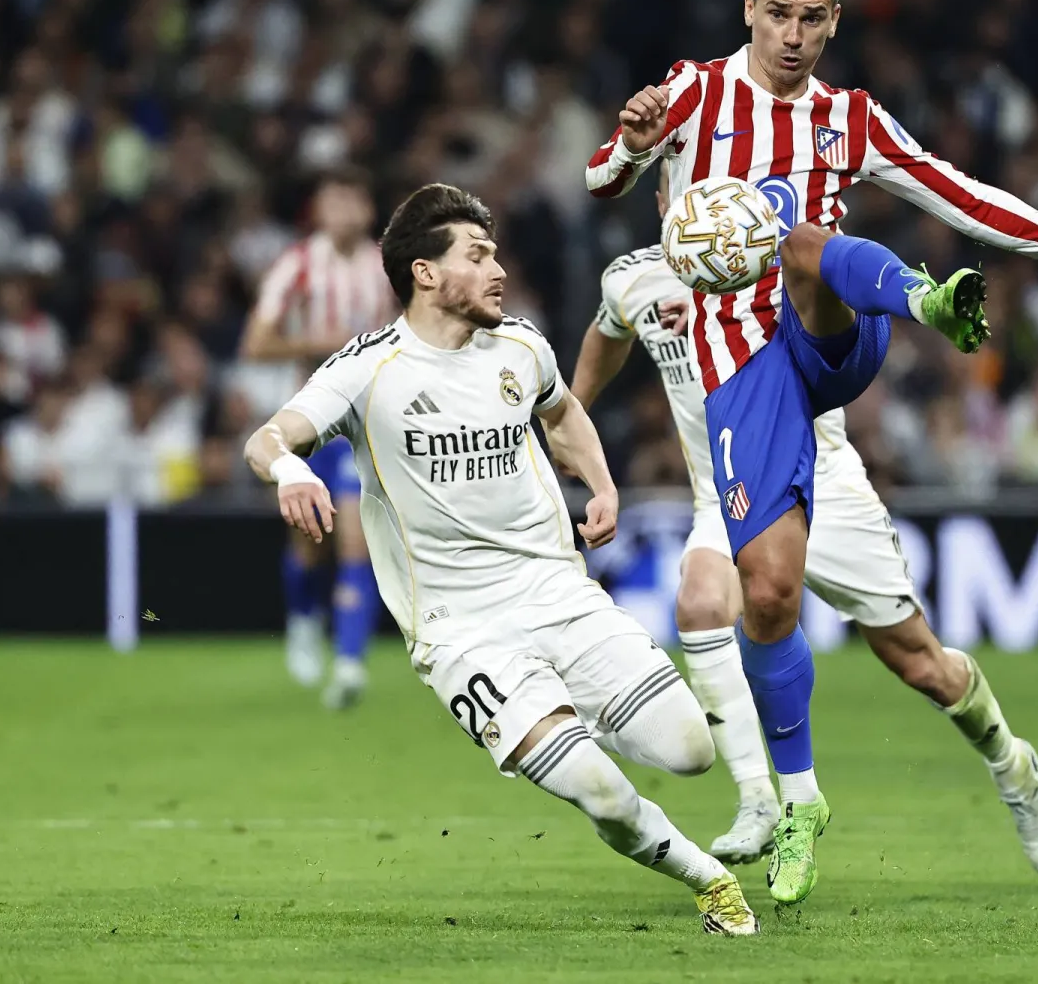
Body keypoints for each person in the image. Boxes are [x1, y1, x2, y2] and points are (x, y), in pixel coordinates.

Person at [585, 0, 1038, 904]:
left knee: (804, 241)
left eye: (812, 19)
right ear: (748, 8)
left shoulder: (850, 120)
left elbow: (955, 190)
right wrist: (632, 142)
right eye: (778, 15)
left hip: (824, 357)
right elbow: (601, 182)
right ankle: (788, 801)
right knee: (771, 600)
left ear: (834, 22)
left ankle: (1013, 766)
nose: (793, 36)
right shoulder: (694, 93)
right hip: (746, 406)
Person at [242, 184, 758, 935]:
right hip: (461, 629)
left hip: (557, 592)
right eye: (478, 256)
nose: (499, 271)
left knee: (689, 750)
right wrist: (291, 471)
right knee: (602, 793)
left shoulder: (521, 346)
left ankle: (567, 719)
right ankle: (707, 879)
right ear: (425, 274)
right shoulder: (367, 369)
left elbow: (562, 411)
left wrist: (603, 485)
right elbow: (267, 439)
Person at [572, 170, 1038, 874]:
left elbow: (834, 295)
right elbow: (608, 333)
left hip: (825, 476)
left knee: (921, 664)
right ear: (663, 202)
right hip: (727, 491)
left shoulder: (778, 254)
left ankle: (1011, 763)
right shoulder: (633, 279)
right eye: (679, 188)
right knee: (701, 601)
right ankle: (761, 801)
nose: (698, 200)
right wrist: (567, 410)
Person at [240, 167, 398, 708]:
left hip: (368, 420)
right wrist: (321, 342)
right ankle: (304, 619)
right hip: (311, 419)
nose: (342, 212)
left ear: (367, 208)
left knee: (356, 536)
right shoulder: (299, 264)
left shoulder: (388, 264)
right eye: (332, 201)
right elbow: (256, 343)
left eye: (351, 200)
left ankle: (350, 662)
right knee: (309, 540)